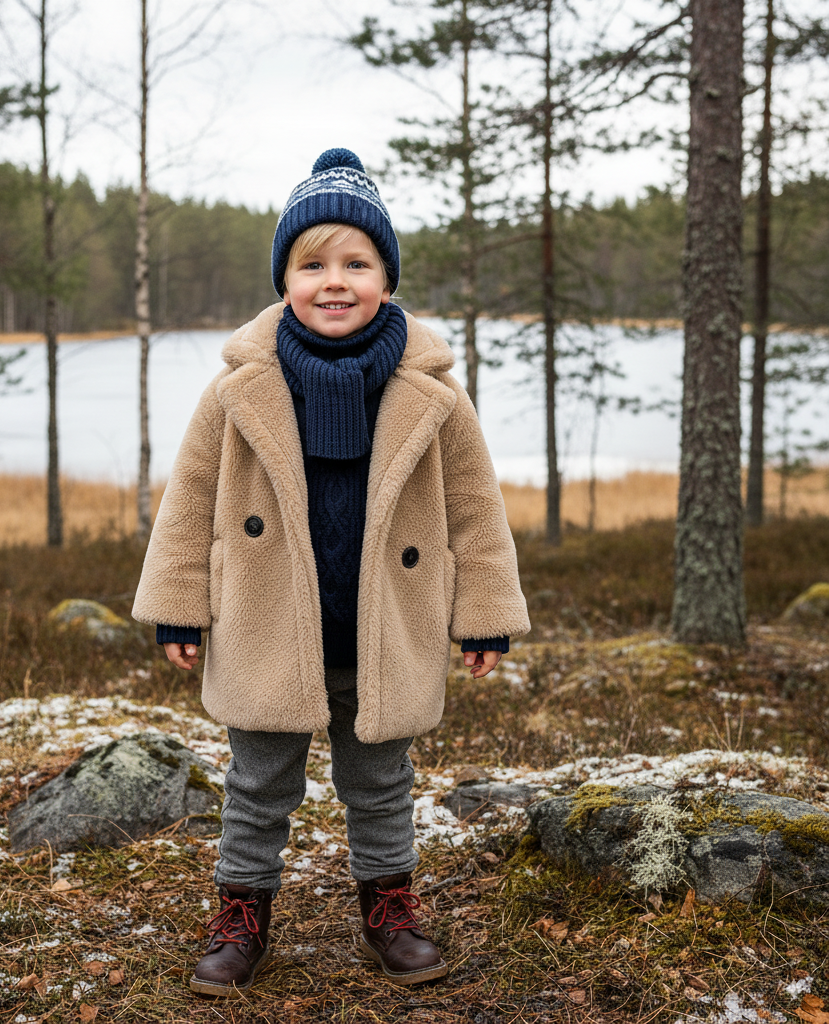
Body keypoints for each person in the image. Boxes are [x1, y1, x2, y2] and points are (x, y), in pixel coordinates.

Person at [132, 148, 530, 996]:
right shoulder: (238, 389)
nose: (334, 280)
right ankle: (243, 913)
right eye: (312, 263)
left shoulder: (434, 394)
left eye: (357, 262)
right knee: (257, 780)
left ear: (387, 276)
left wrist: (485, 611)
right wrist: (178, 607)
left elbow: (474, 505)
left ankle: (389, 906)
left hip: (385, 621)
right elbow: (190, 498)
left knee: (381, 780)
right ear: (286, 280)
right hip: (269, 621)